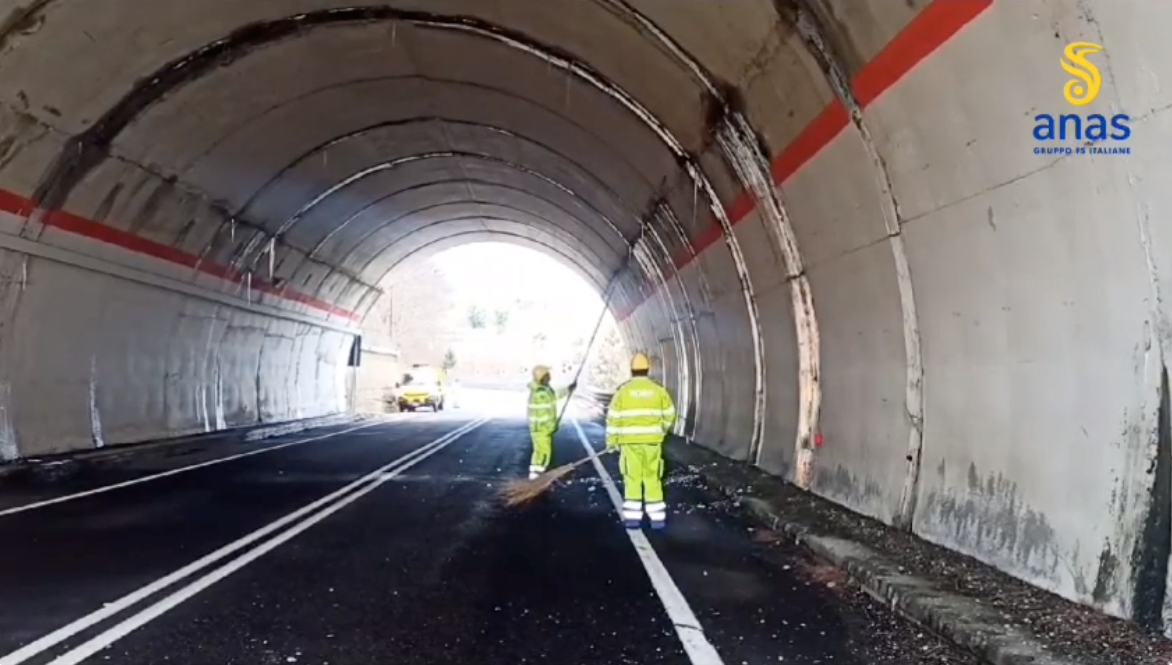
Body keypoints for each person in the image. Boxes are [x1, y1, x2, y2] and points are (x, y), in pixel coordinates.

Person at [605, 352, 676, 530]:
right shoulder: (658, 391)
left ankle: (633, 519)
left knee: (633, 479)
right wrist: (661, 430)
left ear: (632, 370)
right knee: (652, 478)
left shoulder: (623, 392)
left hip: (630, 444)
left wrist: (612, 441)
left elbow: (613, 419)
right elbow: (670, 414)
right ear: (647, 370)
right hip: (652, 443)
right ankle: (657, 519)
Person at [527, 365, 577, 479]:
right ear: (542, 377)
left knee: (540, 450)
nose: (550, 376)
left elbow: (554, 396)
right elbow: (551, 401)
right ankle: (537, 474)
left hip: (540, 428)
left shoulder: (542, 390)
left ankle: (536, 473)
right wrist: (551, 426)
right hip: (542, 428)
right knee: (543, 451)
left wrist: (568, 389)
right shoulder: (541, 393)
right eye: (547, 375)